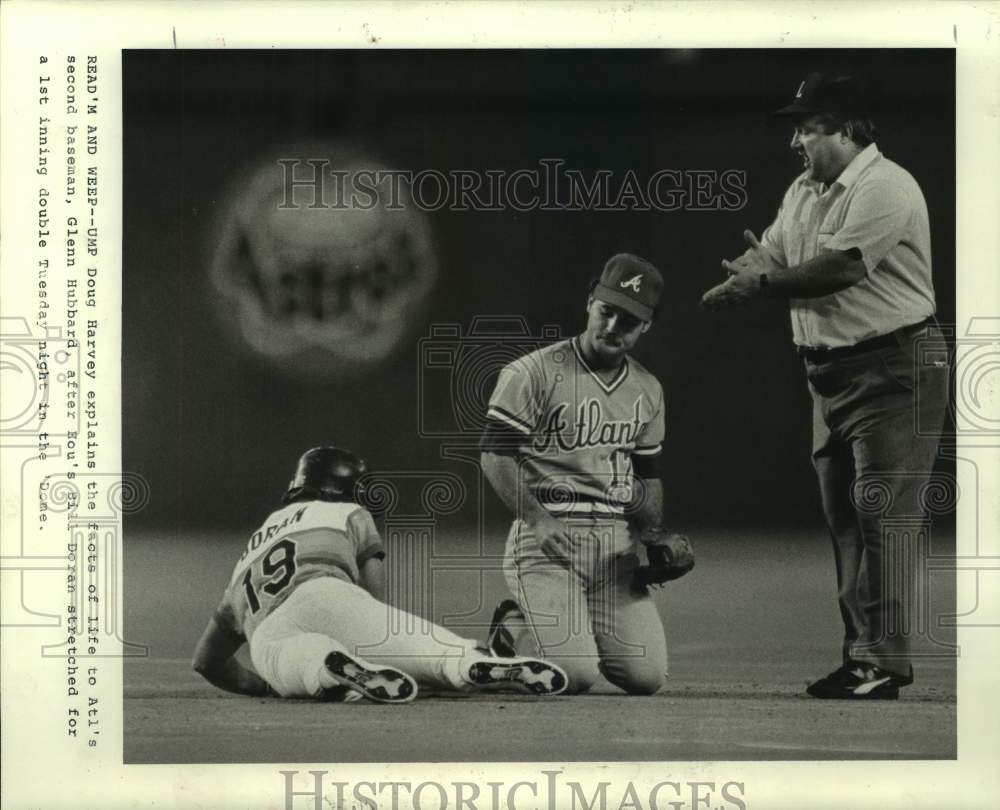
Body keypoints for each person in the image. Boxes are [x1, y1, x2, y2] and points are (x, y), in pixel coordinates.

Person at [701, 72, 949, 700]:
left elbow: (841, 268)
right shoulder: (804, 190)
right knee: (846, 521)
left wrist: (762, 285)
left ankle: (883, 663)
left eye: (808, 126)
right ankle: (861, 659)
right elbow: (778, 257)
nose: (796, 139)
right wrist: (754, 270)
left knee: (882, 518)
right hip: (830, 374)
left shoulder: (885, 185)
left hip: (894, 367)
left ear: (846, 128)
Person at [191, 446, 568, 703]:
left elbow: (206, 661)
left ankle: (326, 670)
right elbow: (374, 596)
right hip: (326, 593)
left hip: (268, 629)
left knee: (299, 660)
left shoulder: (252, 548)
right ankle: (471, 660)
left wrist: (265, 686)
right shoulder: (348, 514)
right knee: (430, 652)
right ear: (348, 489)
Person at [480, 253, 678, 696]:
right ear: (590, 302)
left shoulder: (647, 389)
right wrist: (537, 519)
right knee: (576, 674)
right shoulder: (533, 372)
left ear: (646, 325)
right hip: (547, 539)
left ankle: (561, 619)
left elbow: (647, 472)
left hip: (614, 549)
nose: (612, 327)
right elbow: (495, 456)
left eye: (628, 320)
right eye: (606, 311)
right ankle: (514, 627)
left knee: (647, 677)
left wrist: (655, 533)